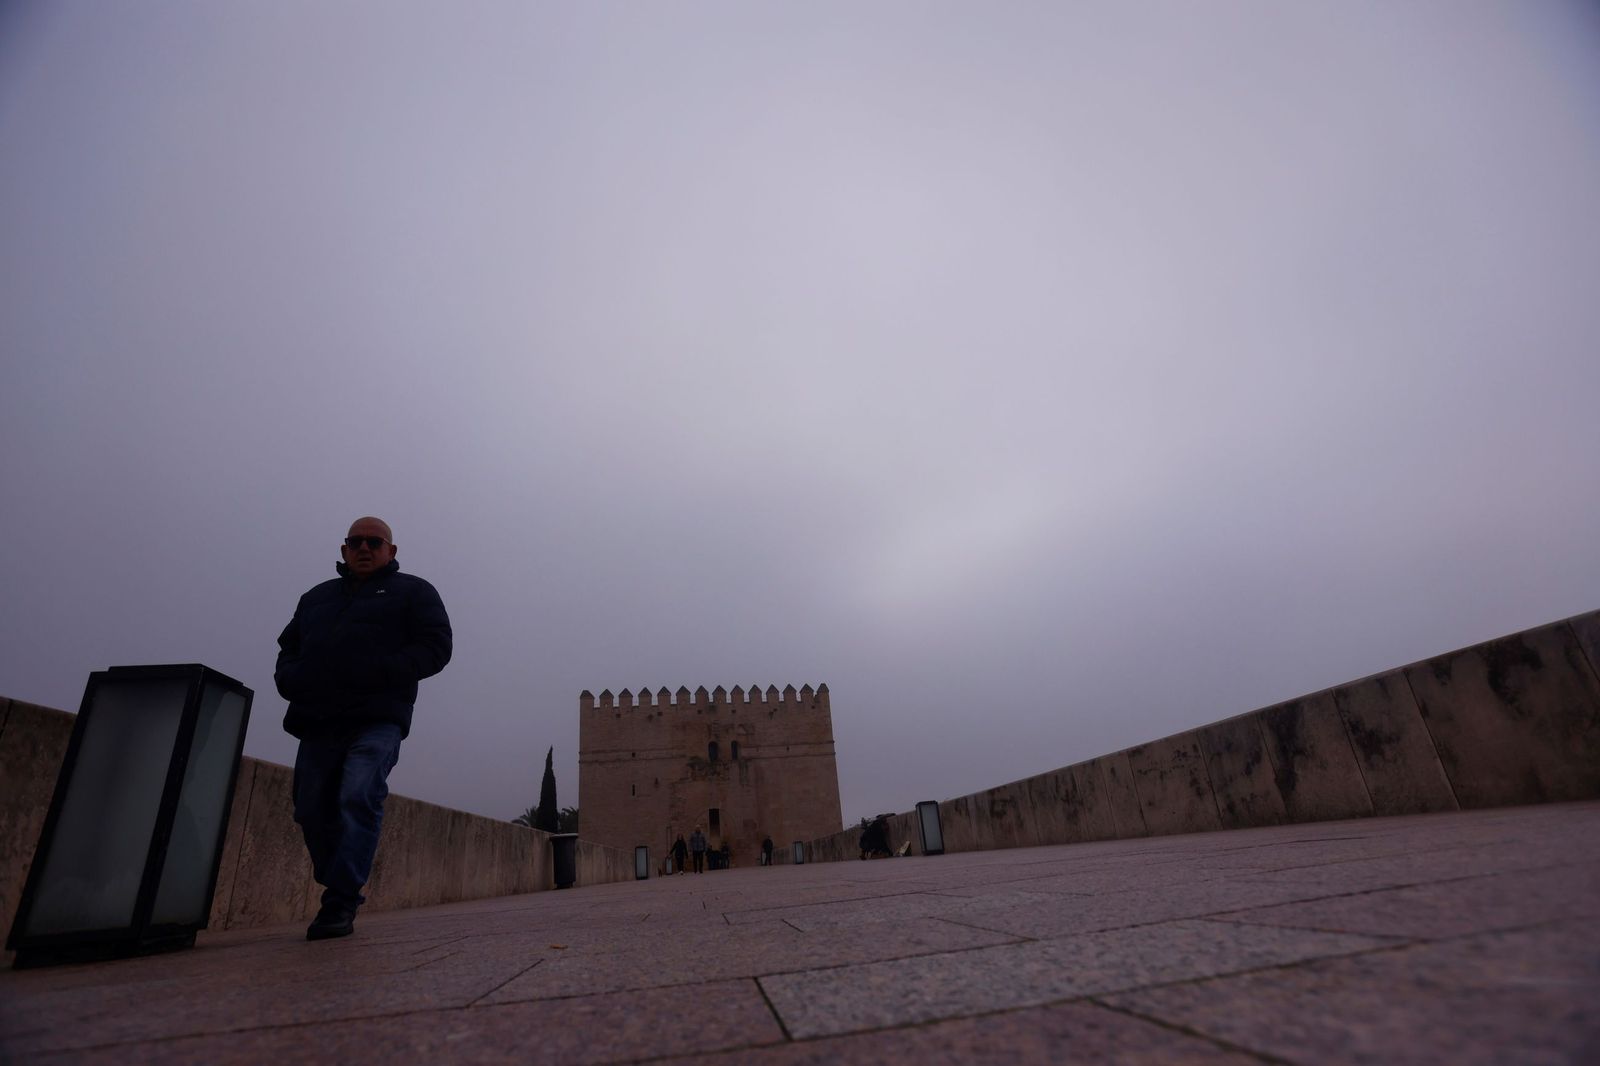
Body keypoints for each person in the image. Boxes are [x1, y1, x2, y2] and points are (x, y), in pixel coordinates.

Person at [275, 517, 452, 940]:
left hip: (378, 716)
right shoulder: (316, 598)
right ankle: (339, 878)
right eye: (356, 542)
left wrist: (381, 672)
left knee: (359, 792)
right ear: (343, 550)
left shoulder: (414, 591)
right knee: (310, 809)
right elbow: (289, 648)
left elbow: (436, 647)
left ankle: (340, 899)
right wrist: (293, 680)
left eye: (375, 542)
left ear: (392, 550)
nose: (364, 548)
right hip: (319, 719)